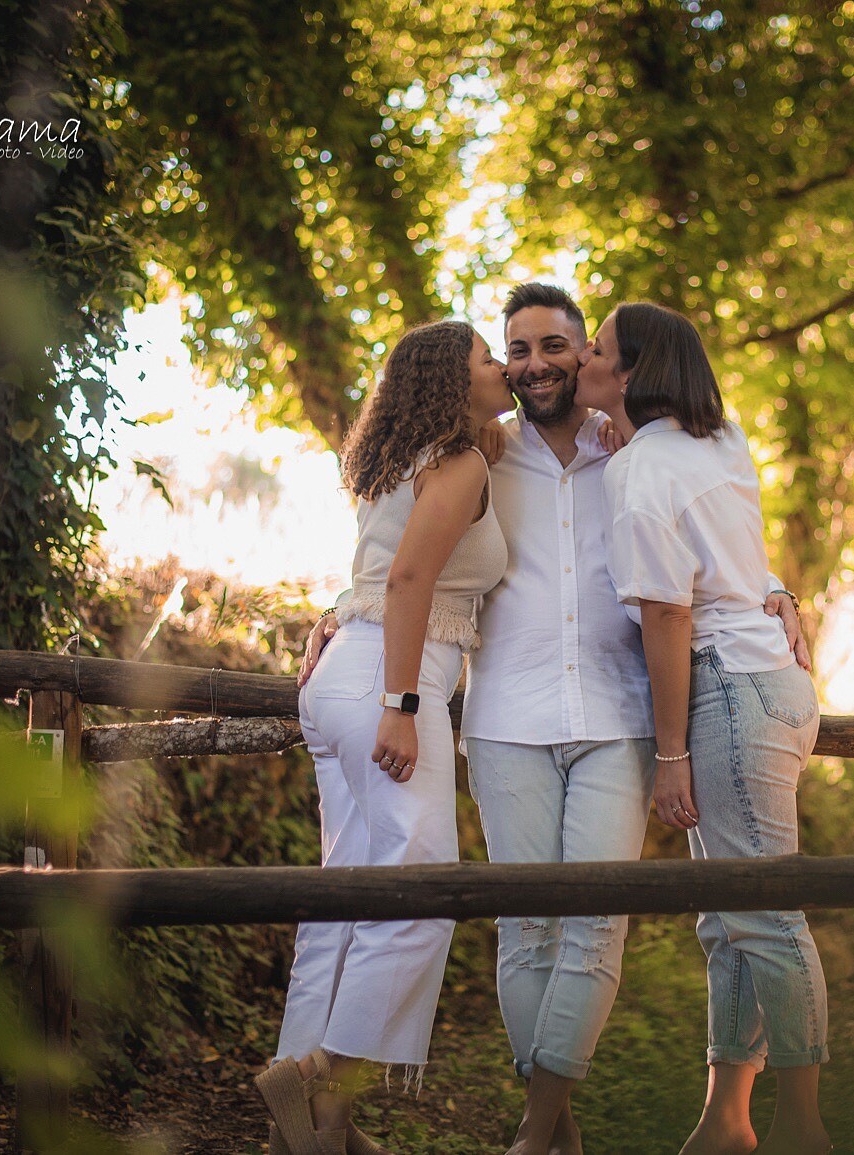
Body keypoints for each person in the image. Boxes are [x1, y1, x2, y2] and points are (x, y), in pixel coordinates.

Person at [299, 284, 807, 1155]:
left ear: (587, 356)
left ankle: (531, 1134)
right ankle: (557, 1130)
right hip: (505, 718)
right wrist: (345, 611)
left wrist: (775, 593)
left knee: (593, 926)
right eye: (517, 349)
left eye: (554, 346)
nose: (534, 364)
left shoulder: (636, 450)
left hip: (619, 716)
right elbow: (402, 551)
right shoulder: (482, 451)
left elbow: (718, 546)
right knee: (524, 927)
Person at [576, 302, 830, 1155]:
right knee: (730, 916)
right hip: (779, 684)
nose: (582, 359)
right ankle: (728, 1115)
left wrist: (671, 752)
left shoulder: (638, 472)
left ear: (634, 372)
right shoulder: (718, 440)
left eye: (598, 351)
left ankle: (803, 1128)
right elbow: (740, 561)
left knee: (763, 915)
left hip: (730, 690)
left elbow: (667, 615)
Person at [261, 319, 513, 1155]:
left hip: (346, 676)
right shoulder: (461, 463)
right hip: (387, 680)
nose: (504, 367)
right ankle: (320, 1075)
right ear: (452, 380)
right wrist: (403, 701)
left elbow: (375, 573)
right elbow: (407, 579)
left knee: (351, 892)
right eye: (488, 358)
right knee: (422, 890)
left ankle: (314, 1125)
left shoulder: (402, 458)